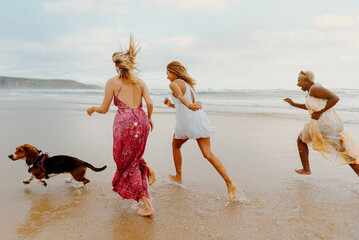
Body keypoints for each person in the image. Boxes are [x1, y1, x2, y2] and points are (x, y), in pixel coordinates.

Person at [87, 35, 156, 216]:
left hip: (124, 124)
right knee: (133, 157)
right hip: (141, 122)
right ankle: (147, 170)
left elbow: (104, 109)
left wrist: (93, 109)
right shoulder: (140, 82)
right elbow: (150, 103)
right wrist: (149, 119)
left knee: (125, 161)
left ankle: (148, 206)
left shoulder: (112, 82)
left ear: (117, 65)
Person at [163, 61, 237, 201]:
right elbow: (181, 104)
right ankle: (230, 183)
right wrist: (170, 105)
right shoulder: (190, 86)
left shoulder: (173, 84)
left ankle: (178, 176)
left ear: (173, 72)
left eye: (167, 73)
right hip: (200, 119)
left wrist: (189, 105)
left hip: (185, 124)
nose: (166, 77)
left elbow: (180, 97)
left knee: (175, 146)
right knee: (208, 154)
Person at [283, 70, 359, 176]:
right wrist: (294, 104)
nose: (297, 84)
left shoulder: (315, 89)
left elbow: (335, 98)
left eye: (299, 81)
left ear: (305, 80)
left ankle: (306, 169)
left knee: (301, 140)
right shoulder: (313, 89)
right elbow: (311, 107)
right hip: (329, 124)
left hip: (324, 124)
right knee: (343, 151)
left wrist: (319, 113)